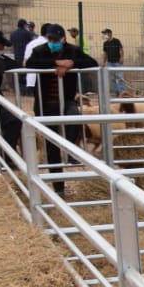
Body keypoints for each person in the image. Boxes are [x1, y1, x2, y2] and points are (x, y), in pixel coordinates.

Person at [25, 24, 98, 196]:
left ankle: (70, 148)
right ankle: (59, 187)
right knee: (51, 144)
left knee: (74, 119)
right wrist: (56, 63)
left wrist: (71, 63)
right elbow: (31, 63)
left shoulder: (72, 50)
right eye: (50, 39)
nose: (53, 42)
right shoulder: (40, 51)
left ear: (63, 39)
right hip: (46, 102)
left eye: (56, 40)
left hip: (66, 99)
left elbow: (91, 62)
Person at [101, 28, 126, 96]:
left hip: (117, 62)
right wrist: (104, 62)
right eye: (103, 34)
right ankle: (117, 92)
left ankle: (123, 92)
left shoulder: (116, 41)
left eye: (105, 33)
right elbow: (105, 53)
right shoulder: (105, 43)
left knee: (120, 77)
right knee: (112, 78)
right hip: (110, 63)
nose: (104, 35)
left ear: (110, 33)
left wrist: (121, 58)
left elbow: (121, 49)